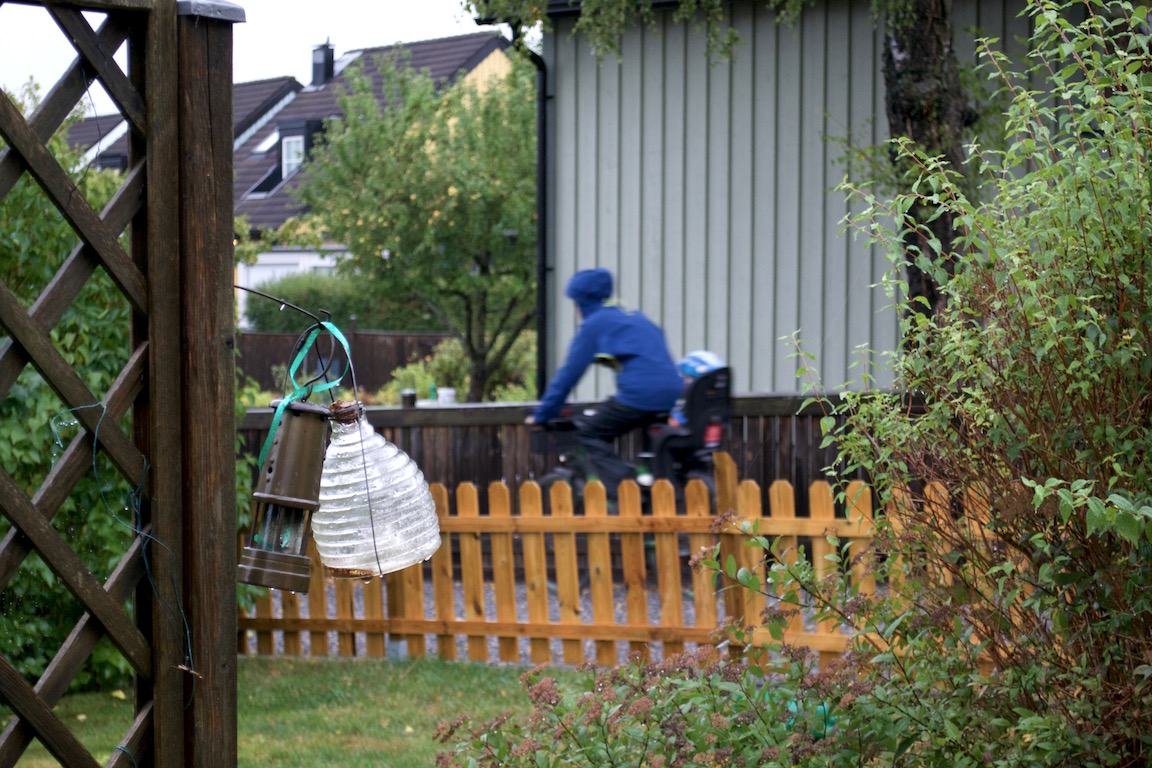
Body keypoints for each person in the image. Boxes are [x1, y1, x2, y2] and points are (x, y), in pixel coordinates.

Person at [528, 268, 684, 498]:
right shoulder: (633, 317)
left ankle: (626, 489)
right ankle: (646, 486)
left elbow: (568, 376)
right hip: (674, 392)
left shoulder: (595, 325)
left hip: (639, 395)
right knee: (649, 455)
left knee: (587, 435)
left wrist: (542, 414)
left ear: (580, 302)